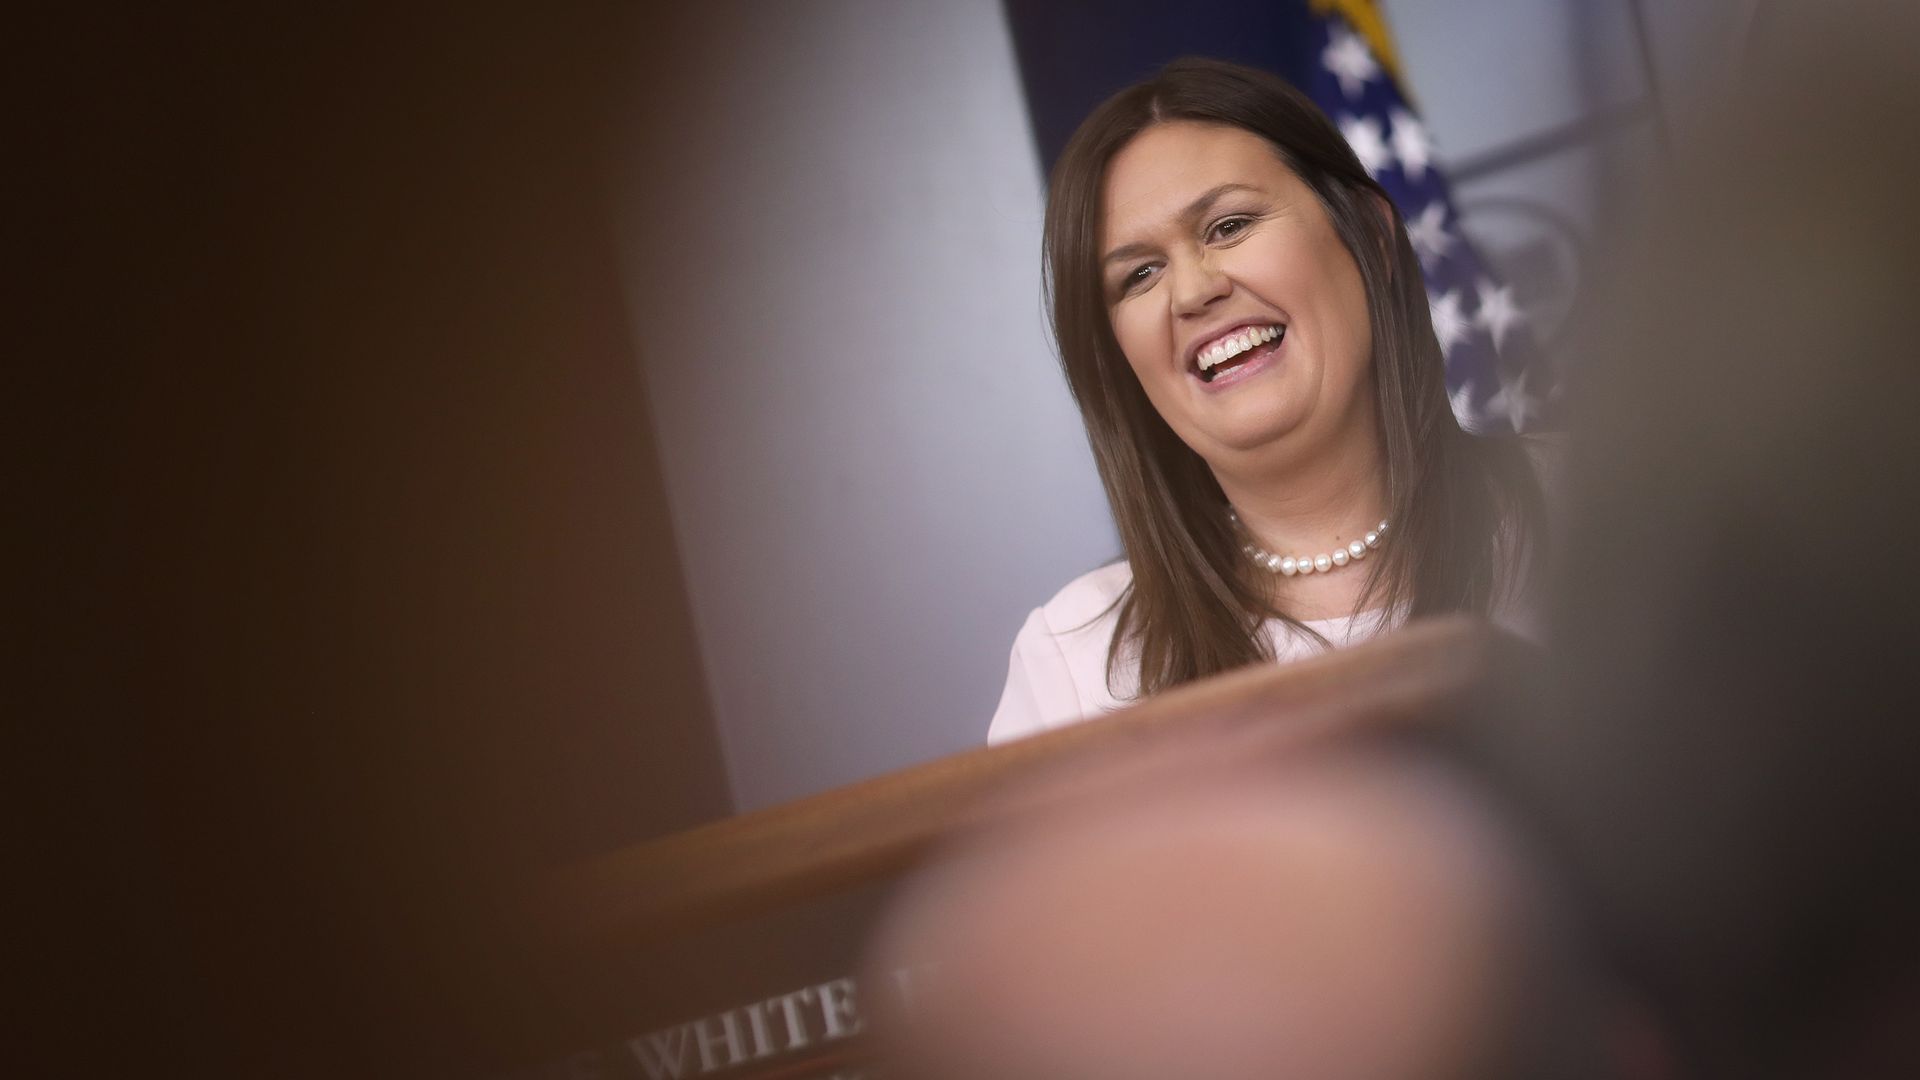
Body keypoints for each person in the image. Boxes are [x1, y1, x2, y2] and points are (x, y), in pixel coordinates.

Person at [989, 57, 1546, 744]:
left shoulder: (1597, 503)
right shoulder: (1073, 663)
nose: (1193, 293)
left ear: (1368, 231)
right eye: (1139, 275)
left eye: (1228, 226)